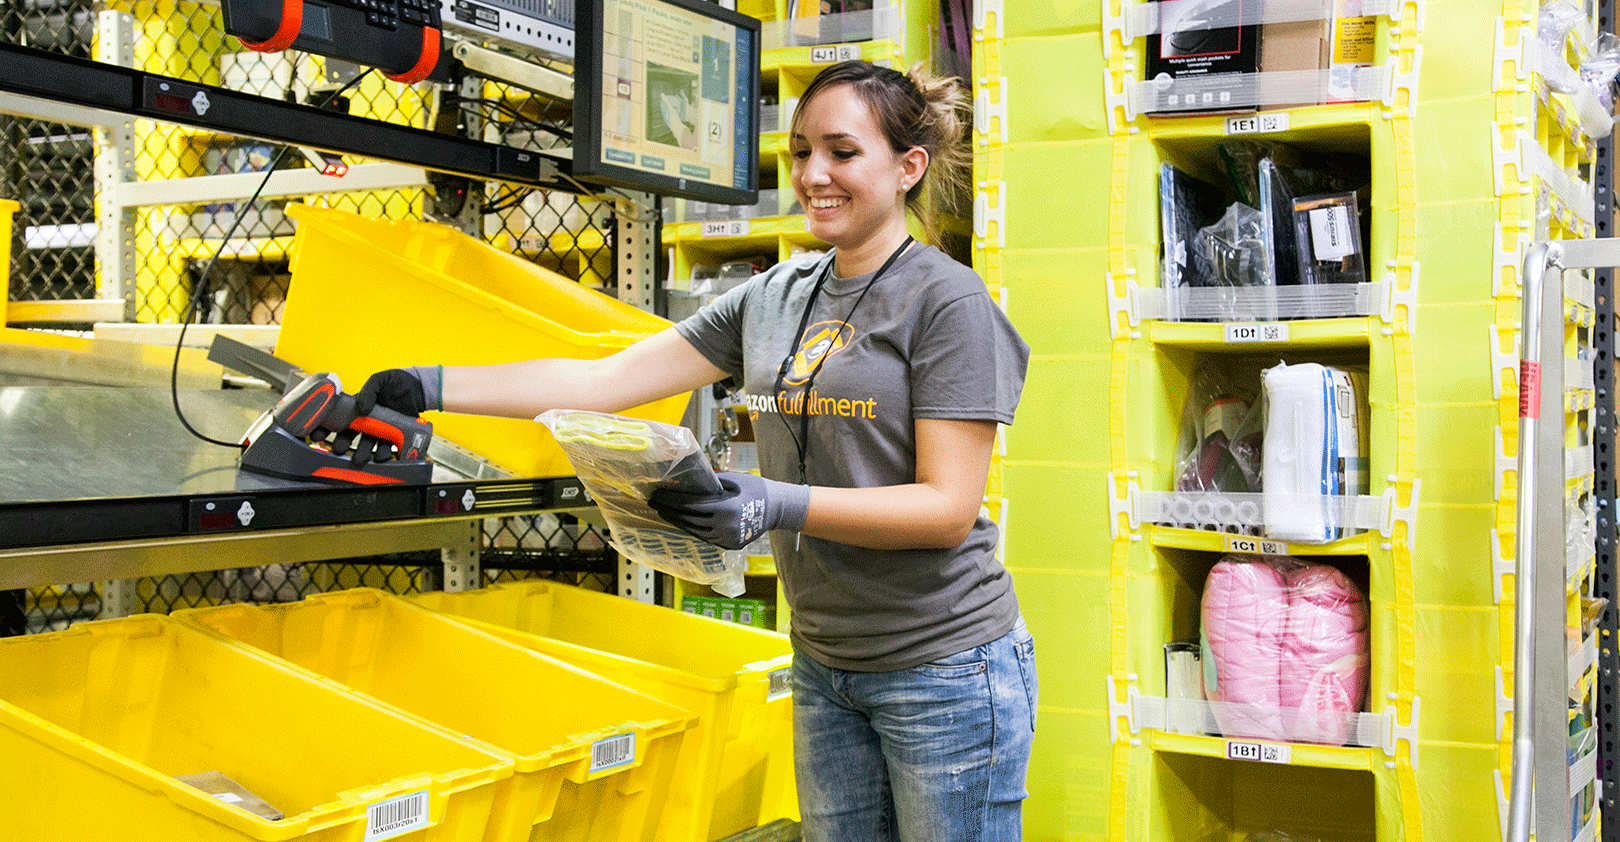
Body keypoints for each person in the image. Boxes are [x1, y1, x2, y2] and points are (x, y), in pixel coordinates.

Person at [350, 60, 1036, 842]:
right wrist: (429, 384)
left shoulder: (949, 303)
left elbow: (948, 509)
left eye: (842, 152)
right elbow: (603, 380)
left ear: (909, 166)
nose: (814, 174)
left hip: (944, 668)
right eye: (802, 151)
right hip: (823, 660)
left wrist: (768, 501)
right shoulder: (775, 296)